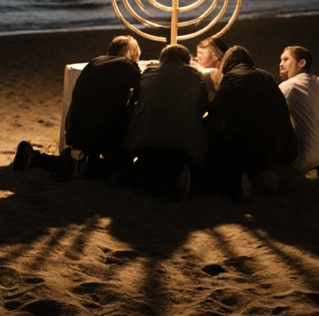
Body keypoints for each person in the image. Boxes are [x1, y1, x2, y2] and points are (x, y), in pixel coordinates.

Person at [13, 35, 142, 182]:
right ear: (132, 55)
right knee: (121, 165)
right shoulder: (129, 67)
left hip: (75, 131)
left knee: (96, 156)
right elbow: (141, 98)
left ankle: (36, 158)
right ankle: (82, 166)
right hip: (103, 135)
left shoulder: (93, 63)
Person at [204, 46, 297, 201]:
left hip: (247, 151)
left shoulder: (230, 78)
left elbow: (216, 115)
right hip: (275, 149)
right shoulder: (266, 76)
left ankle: (240, 182)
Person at [122, 43, 210, 199]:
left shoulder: (148, 73)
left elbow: (136, 100)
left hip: (144, 141)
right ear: (187, 60)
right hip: (183, 145)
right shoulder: (196, 76)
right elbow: (203, 107)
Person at [278, 45, 319, 189]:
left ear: (301, 63)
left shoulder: (288, 87)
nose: (281, 64)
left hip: (305, 153)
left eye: (286, 59)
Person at [194, 37, 228, 101]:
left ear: (217, 55)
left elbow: (217, 76)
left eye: (201, 53)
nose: (197, 57)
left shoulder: (225, 74)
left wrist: (198, 68)